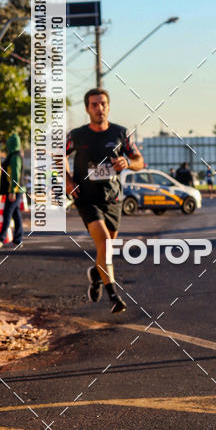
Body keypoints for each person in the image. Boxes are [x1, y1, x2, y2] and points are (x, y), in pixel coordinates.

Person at [65, 88, 144, 314]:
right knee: (105, 244)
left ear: (108, 106)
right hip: (87, 198)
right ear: (87, 109)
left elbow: (139, 160)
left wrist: (128, 163)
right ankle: (114, 297)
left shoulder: (121, 133)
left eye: (103, 104)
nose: (99, 108)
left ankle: (96, 275)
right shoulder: (77, 135)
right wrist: (68, 181)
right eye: (94, 105)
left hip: (113, 199)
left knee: (106, 250)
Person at [0, 133, 24, 249]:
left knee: (7, 213)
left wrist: (13, 190)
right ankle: (18, 240)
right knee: (16, 214)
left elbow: (15, 173)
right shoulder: (13, 156)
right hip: (14, 190)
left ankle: (0, 239)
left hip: (15, 190)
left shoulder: (15, 157)